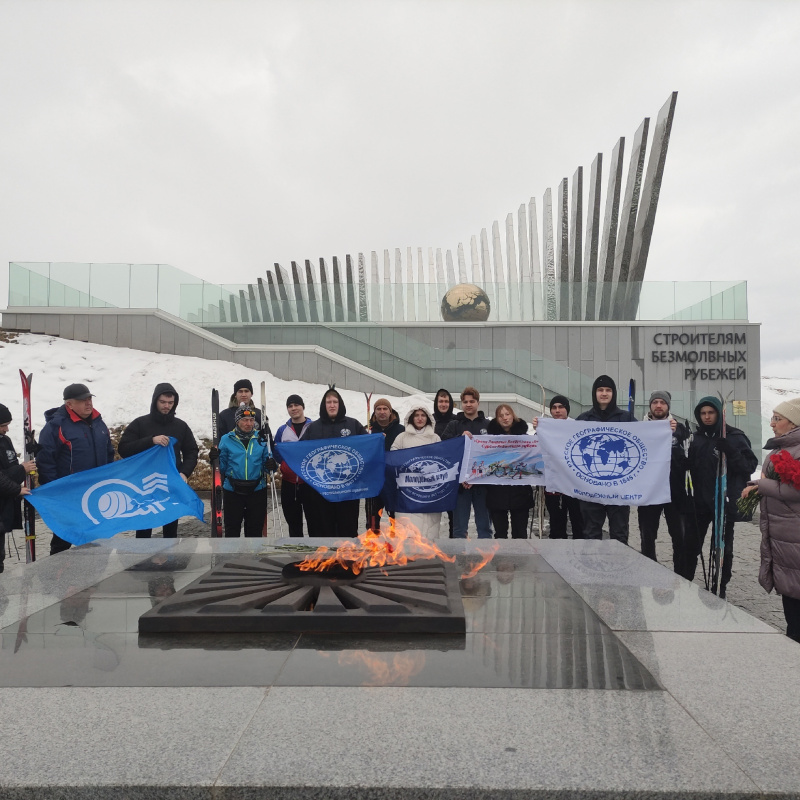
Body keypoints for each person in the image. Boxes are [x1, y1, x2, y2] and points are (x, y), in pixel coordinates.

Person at [685, 396, 757, 598]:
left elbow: (748, 466)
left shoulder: (734, 436)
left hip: (722, 503)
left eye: (711, 413)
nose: (707, 417)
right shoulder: (696, 438)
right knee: (690, 545)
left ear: (719, 413)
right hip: (699, 503)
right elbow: (691, 468)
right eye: (703, 413)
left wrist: (732, 451)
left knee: (722, 548)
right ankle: (684, 580)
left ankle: (720, 587)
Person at [742, 397, 800, 642]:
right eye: (773, 417)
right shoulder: (781, 448)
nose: (772, 423)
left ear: (794, 423)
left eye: (778, 418)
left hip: (793, 534)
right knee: (791, 593)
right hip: (784, 535)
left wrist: (762, 485)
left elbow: (795, 489)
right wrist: (759, 484)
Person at [38, 383, 115, 555]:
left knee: (97, 537)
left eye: (89, 399)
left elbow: (109, 453)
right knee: (64, 537)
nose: (88, 403)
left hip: (97, 493)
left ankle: (94, 577)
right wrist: (54, 491)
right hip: (69, 495)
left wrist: (109, 480)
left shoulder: (99, 423)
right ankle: (56, 576)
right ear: (69, 404)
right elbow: (45, 461)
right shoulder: (56, 427)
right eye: (82, 400)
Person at [117, 382, 199, 538]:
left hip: (170, 483)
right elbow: (124, 448)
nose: (166, 406)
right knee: (144, 526)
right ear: (155, 401)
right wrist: (150, 440)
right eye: (163, 402)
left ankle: (170, 558)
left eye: (170, 403)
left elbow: (192, 451)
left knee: (170, 528)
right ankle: (142, 558)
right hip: (145, 484)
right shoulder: (140, 424)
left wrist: (184, 473)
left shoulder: (181, 426)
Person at [575, 375, 636, 543]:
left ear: (613, 393)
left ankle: (619, 568)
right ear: (594, 393)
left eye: (608, 390)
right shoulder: (583, 419)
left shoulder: (627, 418)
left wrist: (667, 429)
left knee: (619, 533)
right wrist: (542, 428)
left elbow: (647, 439)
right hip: (591, 489)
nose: (604, 393)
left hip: (619, 488)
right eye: (600, 390)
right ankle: (592, 567)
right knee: (591, 533)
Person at [637, 390, 691, 574]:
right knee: (647, 536)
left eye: (662, 402)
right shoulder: (639, 428)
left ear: (668, 406)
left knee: (680, 537)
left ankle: (681, 575)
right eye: (655, 402)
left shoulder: (680, 429)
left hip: (675, 492)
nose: (658, 405)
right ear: (650, 406)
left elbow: (691, 454)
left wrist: (680, 432)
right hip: (649, 492)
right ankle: (649, 572)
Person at [303, 388, 367, 537]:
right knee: (324, 530)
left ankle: (348, 559)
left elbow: (367, 447)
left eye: (335, 402)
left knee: (348, 530)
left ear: (340, 404)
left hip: (348, 492)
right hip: (322, 493)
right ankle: (327, 559)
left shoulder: (353, 425)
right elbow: (301, 452)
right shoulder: (313, 428)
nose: (332, 405)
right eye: (328, 402)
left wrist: (378, 439)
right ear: (323, 405)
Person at [441, 387, 492, 539]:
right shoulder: (454, 425)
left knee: (484, 527)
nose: (468, 404)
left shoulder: (488, 425)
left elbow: (494, 453)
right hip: (460, 484)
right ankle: (459, 561)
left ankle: (486, 559)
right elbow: (444, 447)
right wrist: (459, 438)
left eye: (472, 401)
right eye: (465, 402)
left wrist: (477, 476)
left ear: (478, 402)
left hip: (482, 483)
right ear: (461, 404)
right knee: (459, 528)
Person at [217, 405, 274, 537]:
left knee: (254, 530)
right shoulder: (227, 439)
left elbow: (268, 466)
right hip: (233, 489)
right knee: (232, 529)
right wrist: (216, 459)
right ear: (237, 421)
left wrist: (271, 464)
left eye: (251, 420)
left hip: (256, 490)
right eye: (244, 420)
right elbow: (222, 467)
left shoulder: (261, 439)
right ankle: (232, 556)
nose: (248, 423)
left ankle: (252, 557)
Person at [533, 395, 584, 539]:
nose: (557, 410)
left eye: (561, 407)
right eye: (554, 407)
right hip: (554, 483)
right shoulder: (545, 428)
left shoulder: (576, 426)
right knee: (556, 522)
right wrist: (538, 430)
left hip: (574, 483)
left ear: (567, 409)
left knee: (578, 521)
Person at [390, 406, 442, 538]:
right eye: (417, 415)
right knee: (406, 528)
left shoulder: (434, 438)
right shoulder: (402, 437)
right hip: (407, 490)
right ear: (411, 418)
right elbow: (393, 456)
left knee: (428, 527)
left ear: (428, 418)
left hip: (428, 490)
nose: (420, 418)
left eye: (423, 415)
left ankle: (428, 553)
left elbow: (441, 460)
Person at [485, 404, 533, 539]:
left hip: (520, 491)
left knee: (520, 532)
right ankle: (501, 560)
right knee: (500, 533)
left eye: (507, 414)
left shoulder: (525, 438)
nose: (505, 418)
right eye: (501, 415)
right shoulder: (489, 440)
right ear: (497, 419)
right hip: (497, 492)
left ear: (513, 415)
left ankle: (520, 559)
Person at [0, 404, 35, 573]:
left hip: (4, 506)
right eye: (2, 425)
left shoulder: (5, 440)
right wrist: (21, 472)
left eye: (7, 424)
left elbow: (10, 470)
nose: (6, 429)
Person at [274, 394, 313, 537]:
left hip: (310, 483)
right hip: (289, 483)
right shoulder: (282, 430)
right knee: (293, 523)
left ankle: (316, 555)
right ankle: (298, 555)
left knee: (314, 522)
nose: (293, 408)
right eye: (290, 406)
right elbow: (276, 451)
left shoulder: (313, 427)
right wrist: (285, 465)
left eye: (296, 405)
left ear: (303, 407)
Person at [365, 398, 404, 529]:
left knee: (396, 521)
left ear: (390, 411)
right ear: (374, 412)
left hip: (394, 482)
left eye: (385, 409)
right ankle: (373, 545)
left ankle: (396, 546)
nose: (382, 412)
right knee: (372, 522)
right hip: (374, 482)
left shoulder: (401, 430)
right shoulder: (368, 431)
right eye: (379, 409)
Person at [433, 389, 457, 537]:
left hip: (452, 474)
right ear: (436, 403)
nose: (443, 404)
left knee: (454, 517)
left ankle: (453, 548)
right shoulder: (429, 420)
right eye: (441, 401)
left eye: (446, 401)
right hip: (433, 474)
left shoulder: (456, 421)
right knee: (433, 516)